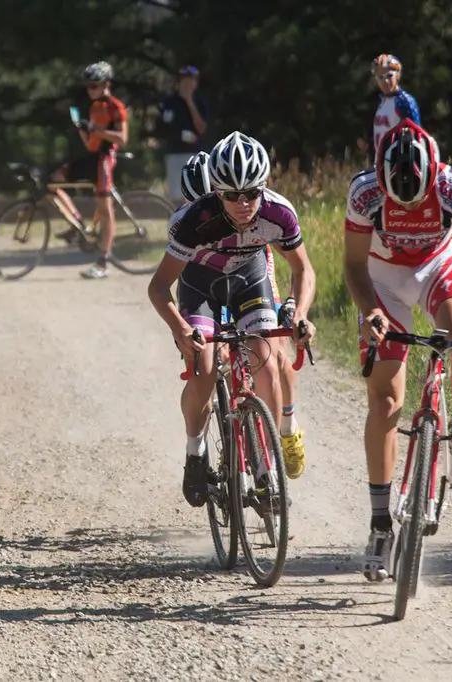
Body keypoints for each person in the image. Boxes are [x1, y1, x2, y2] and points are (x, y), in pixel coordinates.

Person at [343, 119, 452, 581]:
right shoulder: (364, 192)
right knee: (385, 399)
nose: (406, 204)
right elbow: (353, 266)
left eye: (415, 197)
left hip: (437, 267)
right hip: (382, 279)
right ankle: (381, 525)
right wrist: (370, 312)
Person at [147, 132, 316, 508]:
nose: (243, 204)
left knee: (267, 361)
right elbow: (159, 288)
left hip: (249, 280)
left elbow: (303, 270)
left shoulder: (279, 213)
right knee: (204, 368)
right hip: (201, 285)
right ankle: (195, 452)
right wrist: (181, 329)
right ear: (216, 192)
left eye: (251, 193)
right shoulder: (195, 220)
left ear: (263, 187)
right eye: (231, 195)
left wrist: (298, 312)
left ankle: (265, 468)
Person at [178, 152, 308, 475]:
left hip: (251, 265)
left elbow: (298, 263)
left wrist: (294, 310)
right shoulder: (191, 221)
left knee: (273, 355)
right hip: (204, 278)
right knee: (206, 361)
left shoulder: (259, 213)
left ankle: (287, 431)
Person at [50, 60, 129, 280]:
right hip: (92, 156)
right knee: (54, 181)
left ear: (106, 84)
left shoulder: (116, 106)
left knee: (105, 208)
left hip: (106, 158)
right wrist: (84, 131)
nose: (90, 90)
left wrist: (98, 130)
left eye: (94, 86)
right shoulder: (95, 107)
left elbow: (122, 138)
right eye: (88, 87)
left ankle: (103, 260)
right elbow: (90, 145)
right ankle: (78, 224)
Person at [159, 65, 210, 204]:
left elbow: (202, 129)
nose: (188, 84)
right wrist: (180, 135)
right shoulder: (169, 103)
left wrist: (189, 102)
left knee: (198, 194)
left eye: (191, 80)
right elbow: (162, 129)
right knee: (177, 196)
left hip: (195, 154)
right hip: (174, 153)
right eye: (185, 80)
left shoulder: (200, 102)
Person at [370, 54, 421, 153]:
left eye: (389, 76)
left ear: (398, 75)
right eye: (380, 77)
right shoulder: (381, 101)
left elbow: (417, 135)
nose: (385, 81)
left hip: (400, 163)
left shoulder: (404, 101)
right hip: (381, 163)